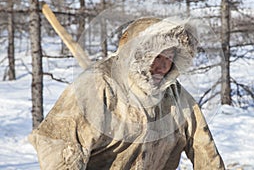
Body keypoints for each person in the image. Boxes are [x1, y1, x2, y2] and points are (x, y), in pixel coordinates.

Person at [29, 17, 225, 169]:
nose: (163, 66)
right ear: (138, 55)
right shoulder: (98, 85)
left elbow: (203, 147)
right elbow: (58, 144)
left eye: (170, 57)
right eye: (156, 57)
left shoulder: (174, 95)